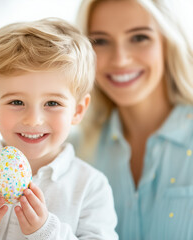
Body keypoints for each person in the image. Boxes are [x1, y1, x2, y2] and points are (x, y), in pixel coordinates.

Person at [0, 18, 118, 240]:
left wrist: (46, 231)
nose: (33, 120)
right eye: (17, 102)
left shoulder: (90, 187)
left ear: (77, 110)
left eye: (52, 103)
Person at [72, 0, 193, 239]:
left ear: (167, 42)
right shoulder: (73, 154)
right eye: (101, 41)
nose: (120, 60)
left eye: (139, 38)